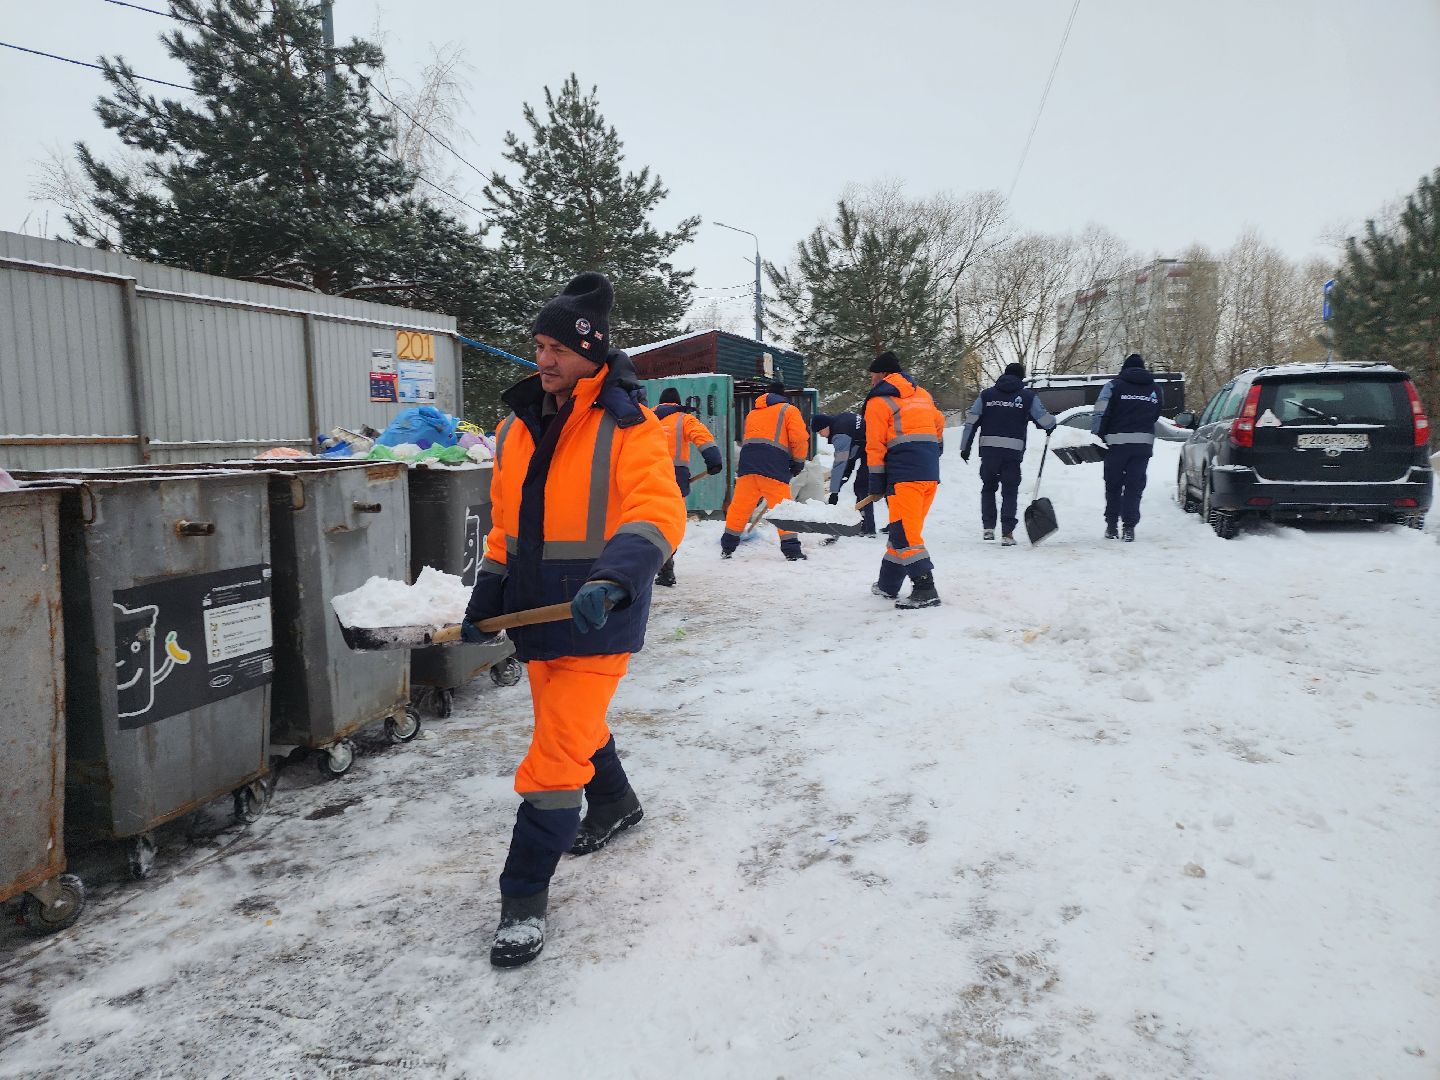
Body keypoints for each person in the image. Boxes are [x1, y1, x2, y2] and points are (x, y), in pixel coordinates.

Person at [462, 272, 686, 968]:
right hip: (539, 612)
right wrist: (488, 597)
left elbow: (657, 510)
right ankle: (616, 804)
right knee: (572, 723)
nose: (545, 358)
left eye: (558, 346)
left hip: (599, 614)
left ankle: (523, 898)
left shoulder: (629, 423)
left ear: (593, 349)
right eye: (538, 344)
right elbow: (506, 526)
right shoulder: (516, 425)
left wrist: (615, 578)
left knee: (556, 756)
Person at [863, 351, 945, 608]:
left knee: (907, 535)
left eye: (873, 375)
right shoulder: (923, 395)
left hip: (904, 476)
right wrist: (931, 452)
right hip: (929, 474)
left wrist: (876, 481)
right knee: (902, 531)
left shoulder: (879, 402)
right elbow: (939, 424)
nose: (871, 381)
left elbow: (875, 446)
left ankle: (925, 588)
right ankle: (888, 585)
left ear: (884, 375)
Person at [958, 362, 1056, 546]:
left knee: (988, 488)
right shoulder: (1027, 397)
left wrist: (965, 447)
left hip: (989, 453)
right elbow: (1044, 420)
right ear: (1021, 377)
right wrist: (1052, 424)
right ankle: (1007, 534)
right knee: (1009, 492)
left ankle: (988, 528)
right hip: (1012, 454)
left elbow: (971, 421)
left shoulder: (986, 395)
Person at [720, 381, 810, 561]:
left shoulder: (752, 413)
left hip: (748, 465)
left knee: (740, 507)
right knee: (784, 509)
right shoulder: (788, 410)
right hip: (773, 467)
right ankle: (792, 551)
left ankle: (727, 547)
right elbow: (799, 438)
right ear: (783, 396)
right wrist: (798, 462)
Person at [653, 387, 723, 586]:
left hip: (648, 476)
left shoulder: (647, 417)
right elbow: (702, 437)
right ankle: (666, 566)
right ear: (677, 403)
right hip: (675, 478)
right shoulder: (683, 419)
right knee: (671, 521)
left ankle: (658, 565)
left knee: (650, 520)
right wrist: (713, 461)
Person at [1090, 352, 1163, 542]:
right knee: (1134, 486)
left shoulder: (1113, 386)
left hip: (1116, 446)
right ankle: (1129, 528)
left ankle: (1112, 526)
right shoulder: (1155, 388)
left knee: (1113, 485)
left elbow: (1100, 412)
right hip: (1142, 446)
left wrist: (1098, 434)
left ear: (1124, 368)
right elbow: (1155, 414)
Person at [810, 411, 877, 537]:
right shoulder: (840, 419)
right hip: (869, 446)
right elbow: (851, 455)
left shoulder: (840, 435)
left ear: (825, 426)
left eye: (820, 432)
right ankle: (866, 525)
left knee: (862, 486)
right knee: (860, 486)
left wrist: (834, 492)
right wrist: (842, 480)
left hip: (876, 448)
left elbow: (840, 463)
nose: (821, 436)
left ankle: (869, 528)